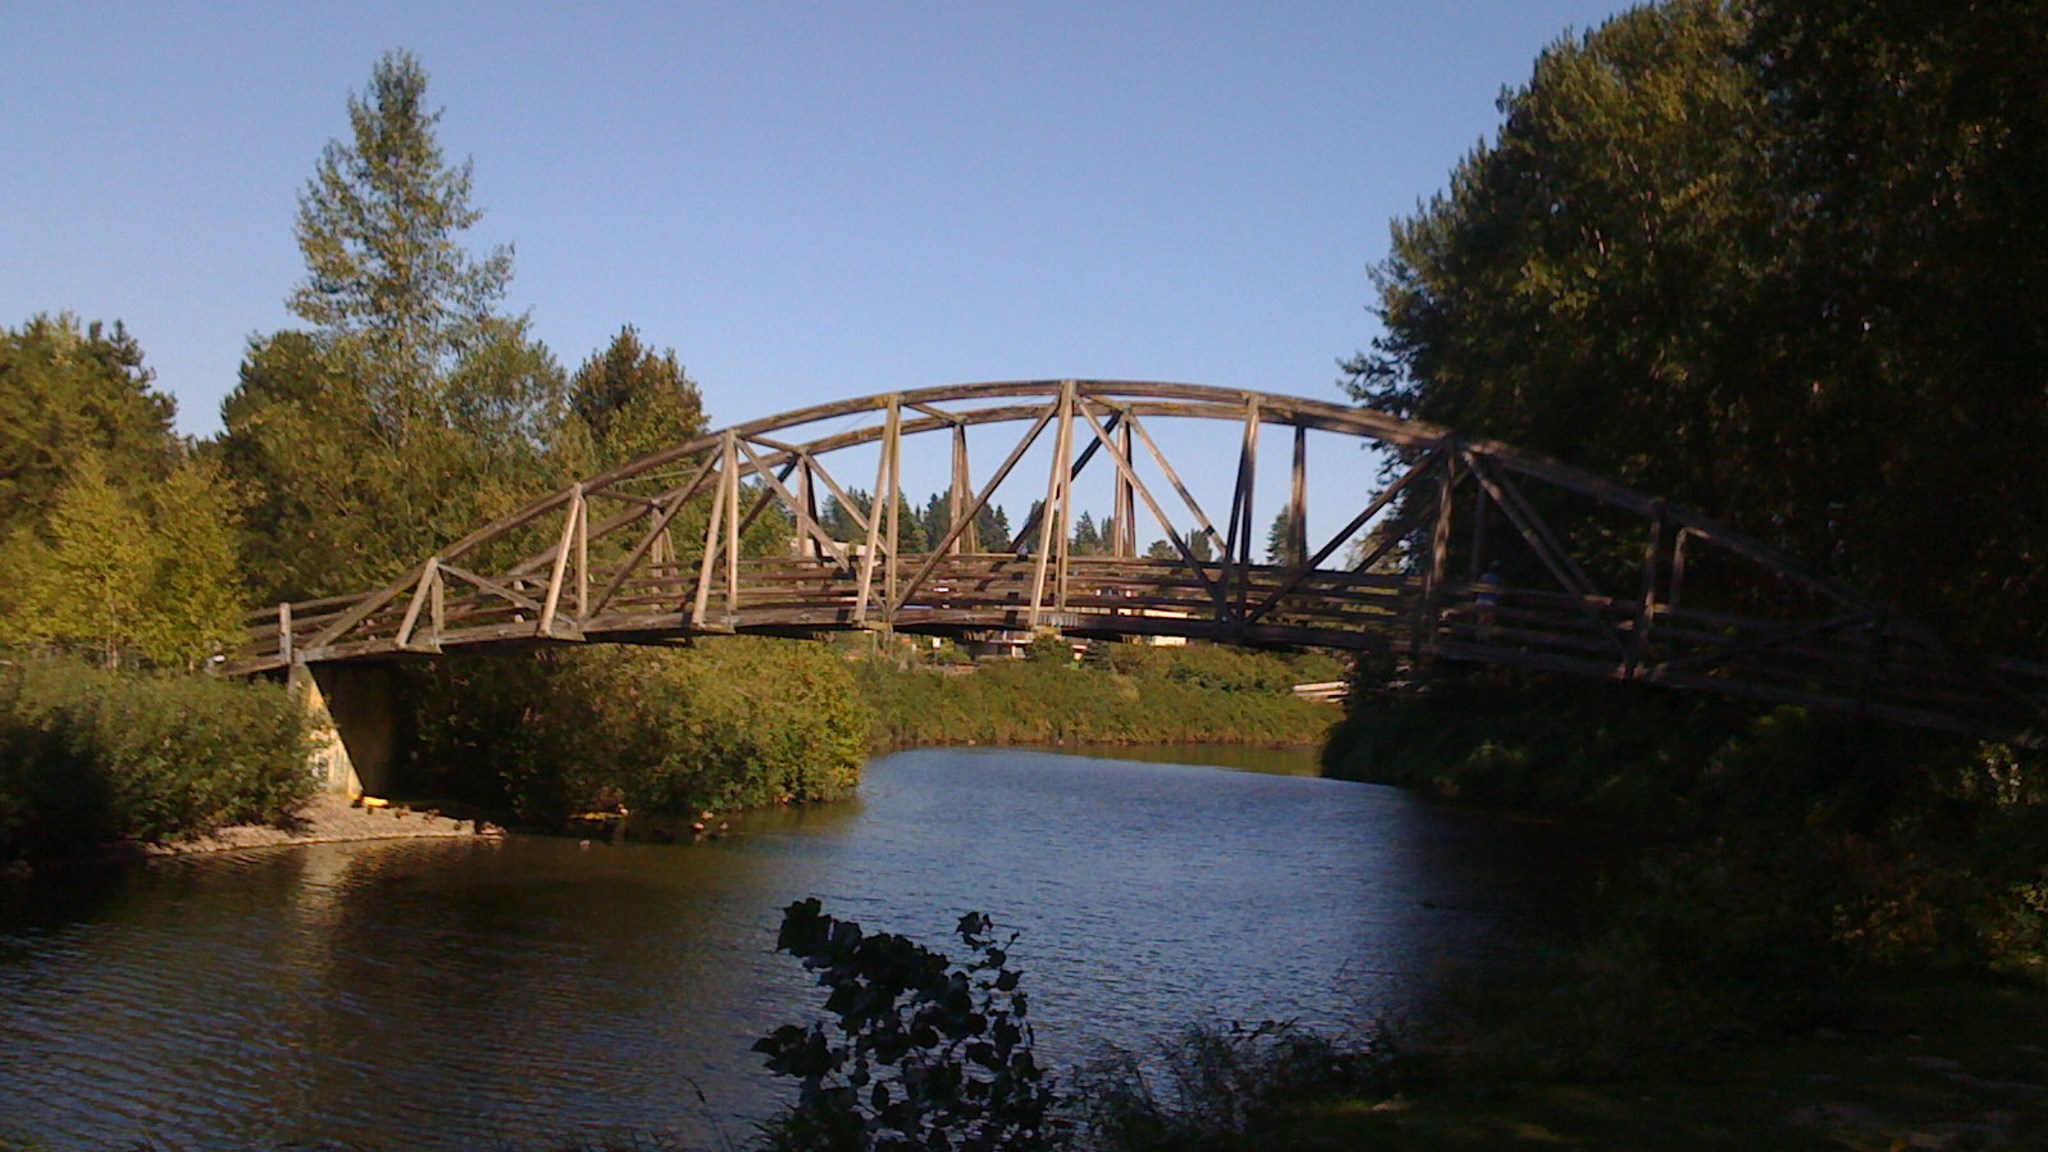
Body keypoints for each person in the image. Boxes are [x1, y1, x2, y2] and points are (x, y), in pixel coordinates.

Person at [1475, 561, 1504, 631]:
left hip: (1480, 600)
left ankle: (1478, 636)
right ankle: (1485, 637)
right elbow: (1499, 591)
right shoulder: (1498, 578)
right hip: (1490, 601)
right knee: (1489, 620)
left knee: (1481, 618)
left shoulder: (1484, 576)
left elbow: (1478, 586)